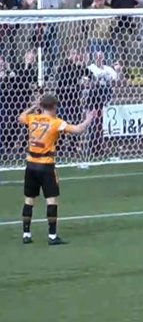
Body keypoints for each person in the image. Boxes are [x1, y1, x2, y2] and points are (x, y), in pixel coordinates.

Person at [18, 94, 97, 245]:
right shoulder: (56, 122)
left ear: (41, 106)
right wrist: (88, 119)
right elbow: (78, 129)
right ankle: (52, 236)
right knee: (52, 201)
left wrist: (35, 106)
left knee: (29, 200)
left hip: (30, 165)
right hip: (46, 166)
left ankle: (26, 234)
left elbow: (20, 117)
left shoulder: (33, 118)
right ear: (54, 107)